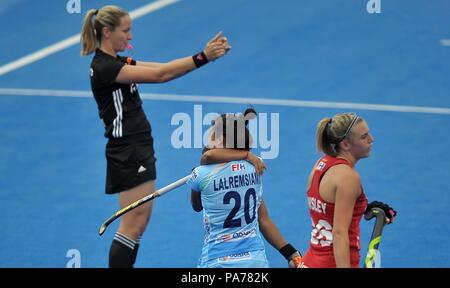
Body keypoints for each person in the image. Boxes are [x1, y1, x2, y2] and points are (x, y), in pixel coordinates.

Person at [80, 5, 231, 268]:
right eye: (125, 31)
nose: (130, 37)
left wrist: (203, 55)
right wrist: (203, 57)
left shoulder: (116, 62)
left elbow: (161, 67)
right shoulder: (106, 67)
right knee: (132, 225)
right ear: (107, 32)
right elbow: (161, 75)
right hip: (129, 151)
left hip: (133, 149)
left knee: (137, 224)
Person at [188, 108, 303, 268]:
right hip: (255, 260)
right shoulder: (255, 167)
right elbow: (264, 220)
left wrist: (195, 177)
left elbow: (197, 206)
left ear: (222, 139)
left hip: (217, 260)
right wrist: (291, 253)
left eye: (212, 134)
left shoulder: (200, 174)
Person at [302, 112, 396, 268]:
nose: (371, 139)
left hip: (310, 261)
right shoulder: (348, 177)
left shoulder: (322, 164)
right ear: (345, 144)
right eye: (363, 137)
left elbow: (328, 210)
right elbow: (339, 233)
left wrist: (360, 207)